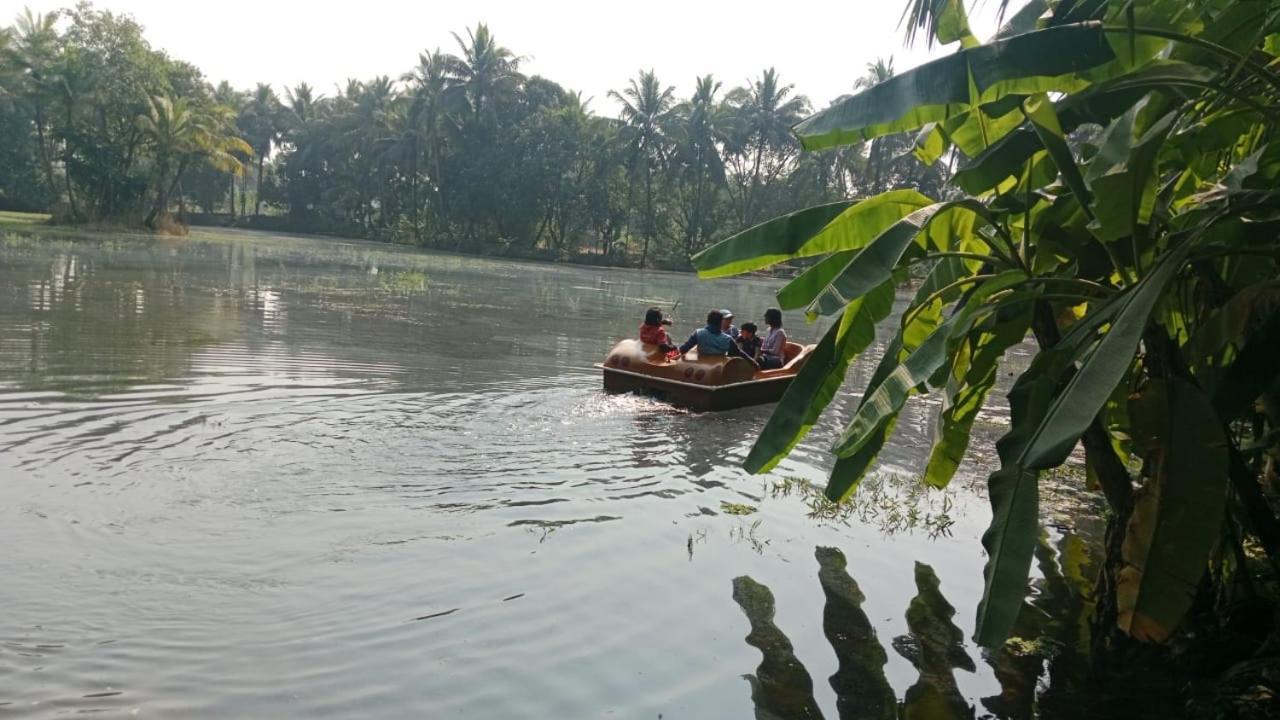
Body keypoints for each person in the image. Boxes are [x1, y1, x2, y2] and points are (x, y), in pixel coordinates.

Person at [679, 310, 758, 366]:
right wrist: (753, 363)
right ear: (721, 322)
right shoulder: (727, 339)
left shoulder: (698, 333)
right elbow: (738, 353)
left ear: (707, 321)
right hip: (719, 366)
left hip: (702, 365)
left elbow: (683, 349)